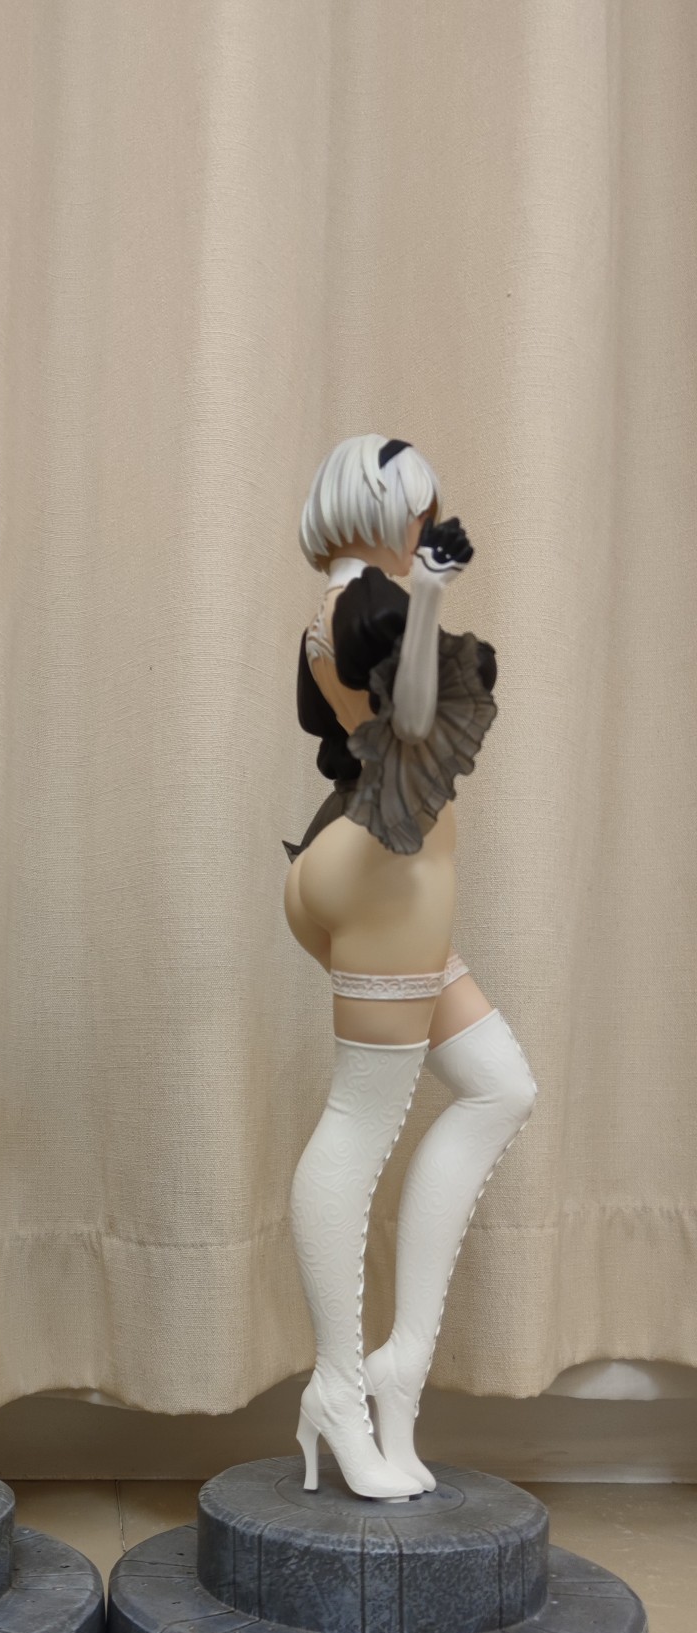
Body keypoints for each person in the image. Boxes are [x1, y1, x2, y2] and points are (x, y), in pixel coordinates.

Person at [284, 434, 536, 1499]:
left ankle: (399, 1367)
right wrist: (430, 596)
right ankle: (340, 1390)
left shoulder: (331, 610)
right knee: (359, 1124)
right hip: (386, 877)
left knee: (498, 1085)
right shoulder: (376, 602)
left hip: (352, 858)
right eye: (422, 511)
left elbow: (343, 728)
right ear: (389, 510)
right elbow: (419, 720)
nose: (430, 525)